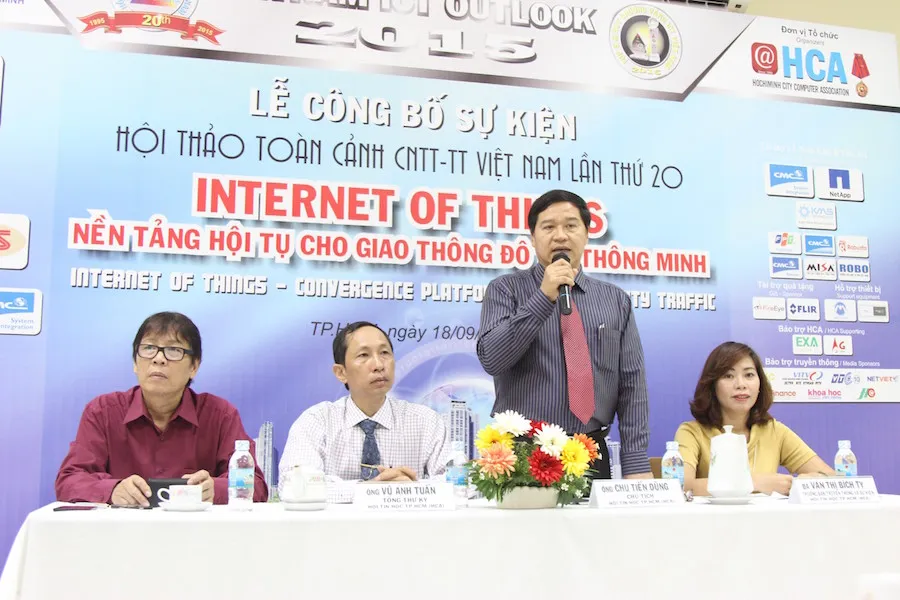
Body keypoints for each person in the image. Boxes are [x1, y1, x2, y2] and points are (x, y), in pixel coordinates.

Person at [477, 189, 651, 479]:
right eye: (548, 227)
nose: (560, 236)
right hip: (523, 453)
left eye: (571, 226)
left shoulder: (615, 300)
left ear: (587, 234)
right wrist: (544, 297)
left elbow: (632, 384)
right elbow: (492, 359)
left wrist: (635, 463)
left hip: (590, 450)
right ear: (533, 238)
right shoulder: (505, 290)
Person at [55, 312, 268, 506]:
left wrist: (215, 489)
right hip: (122, 532)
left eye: (173, 350)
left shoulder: (220, 415)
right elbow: (70, 480)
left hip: (196, 533)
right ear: (135, 363)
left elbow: (257, 486)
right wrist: (113, 490)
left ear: (194, 367)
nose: (158, 359)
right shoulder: (103, 412)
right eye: (149, 348)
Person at [279, 321, 450, 502]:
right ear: (341, 372)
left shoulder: (426, 421)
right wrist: (372, 490)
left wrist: (410, 489)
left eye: (384, 353)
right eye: (363, 355)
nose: (378, 365)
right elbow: (294, 485)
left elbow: (458, 483)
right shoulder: (317, 421)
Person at [675, 341, 835, 496]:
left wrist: (806, 481)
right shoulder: (692, 432)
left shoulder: (774, 431)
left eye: (749, 375)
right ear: (712, 386)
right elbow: (681, 486)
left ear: (760, 384)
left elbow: (831, 477)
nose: (741, 384)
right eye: (728, 376)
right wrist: (752, 483)